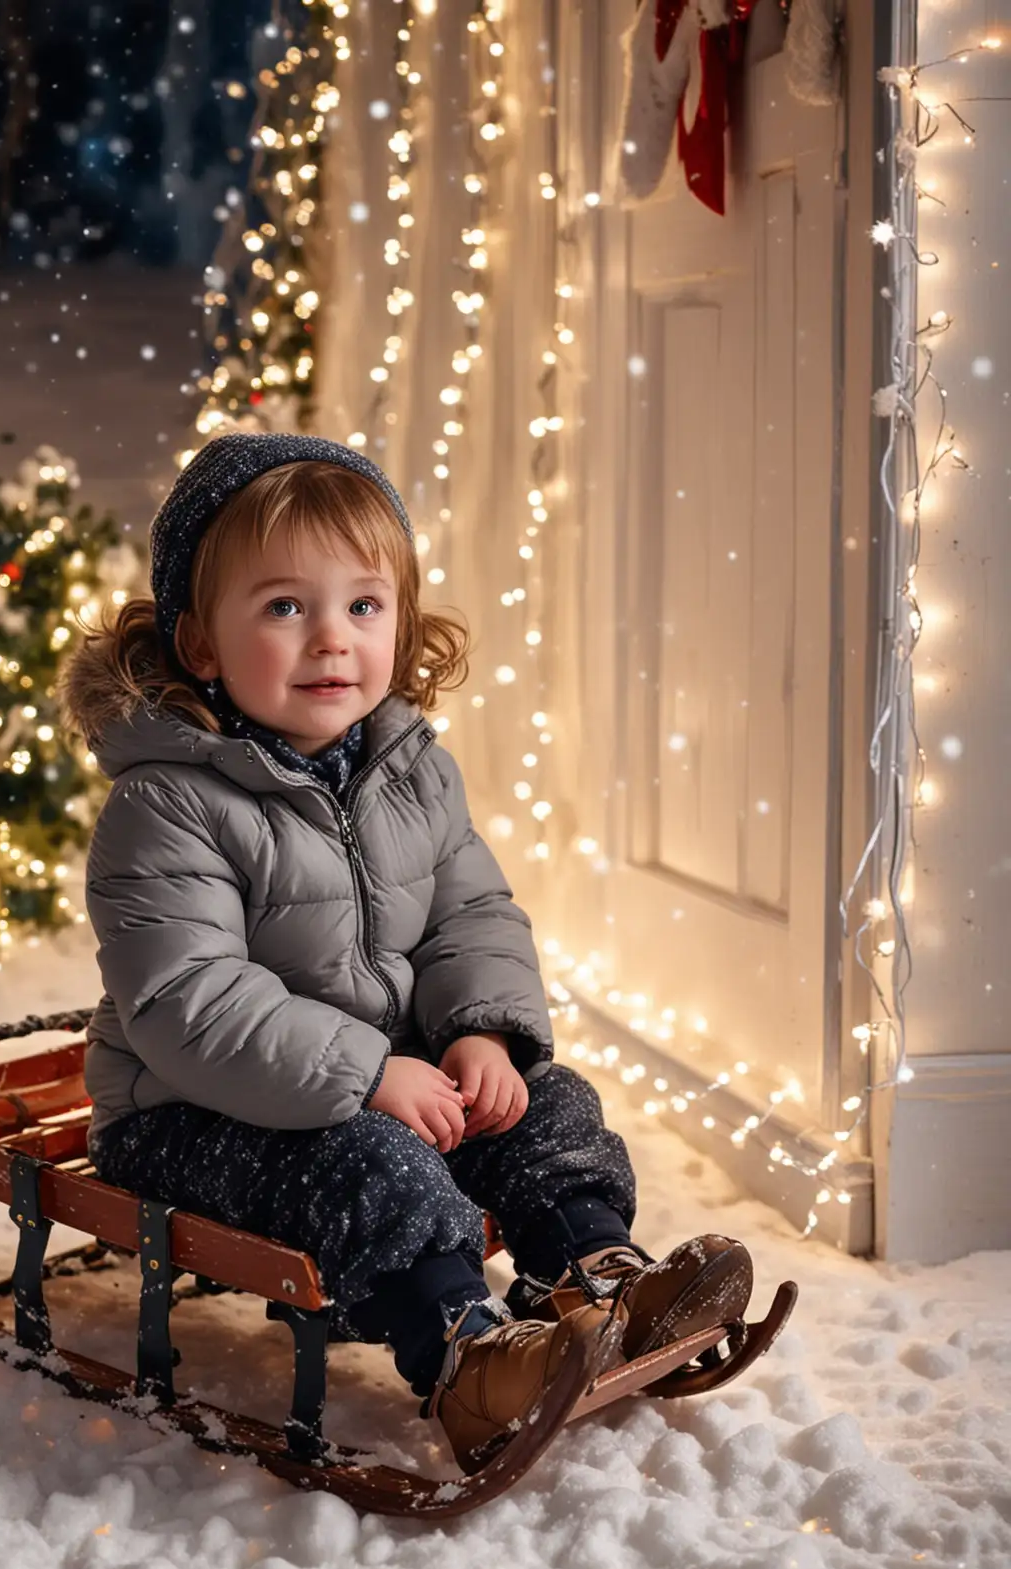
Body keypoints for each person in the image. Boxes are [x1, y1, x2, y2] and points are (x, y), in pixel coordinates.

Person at [59, 432, 753, 1473]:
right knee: (371, 1163)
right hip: (191, 1111)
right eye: (286, 607)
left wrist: (478, 1033)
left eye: (363, 606)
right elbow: (191, 1002)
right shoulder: (165, 805)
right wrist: (366, 1073)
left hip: (383, 1072)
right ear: (200, 644)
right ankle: (467, 1362)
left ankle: (598, 1277)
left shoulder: (414, 772)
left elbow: (471, 917)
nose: (331, 639)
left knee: (546, 1100)